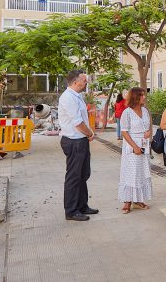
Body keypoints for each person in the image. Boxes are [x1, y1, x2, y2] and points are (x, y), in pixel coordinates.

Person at [58, 69, 98, 222]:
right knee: (74, 177)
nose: (86, 82)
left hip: (80, 140)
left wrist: (88, 134)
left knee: (83, 174)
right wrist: (89, 133)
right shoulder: (68, 98)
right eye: (84, 80)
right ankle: (71, 210)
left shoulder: (77, 96)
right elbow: (78, 122)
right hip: (74, 141)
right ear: (75, 82)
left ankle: (82, 205)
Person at [118, 87, 152, 214]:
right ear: (135, 97)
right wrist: (134, 147)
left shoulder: (145, 111)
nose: (144, 97)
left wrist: (148, 134)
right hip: (132, 145)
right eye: (142, 95)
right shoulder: (127, 112)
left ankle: (138, 199)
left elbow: (147, 127)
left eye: (144, 95)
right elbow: (124, 132)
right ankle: (127, 201)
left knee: (142, 172)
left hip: (144, 144)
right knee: (131, 173)